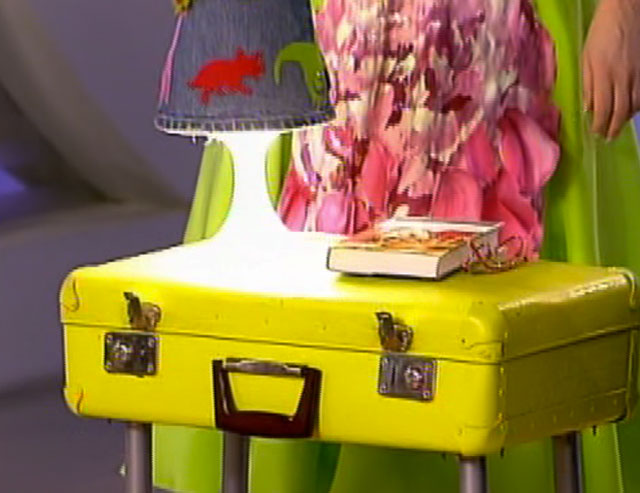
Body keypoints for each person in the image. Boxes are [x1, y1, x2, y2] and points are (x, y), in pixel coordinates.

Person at [154, 0, 640, 491]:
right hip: (342, 36)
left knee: (513, 308)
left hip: (501, 40)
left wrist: (624, 12)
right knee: (312, 277)